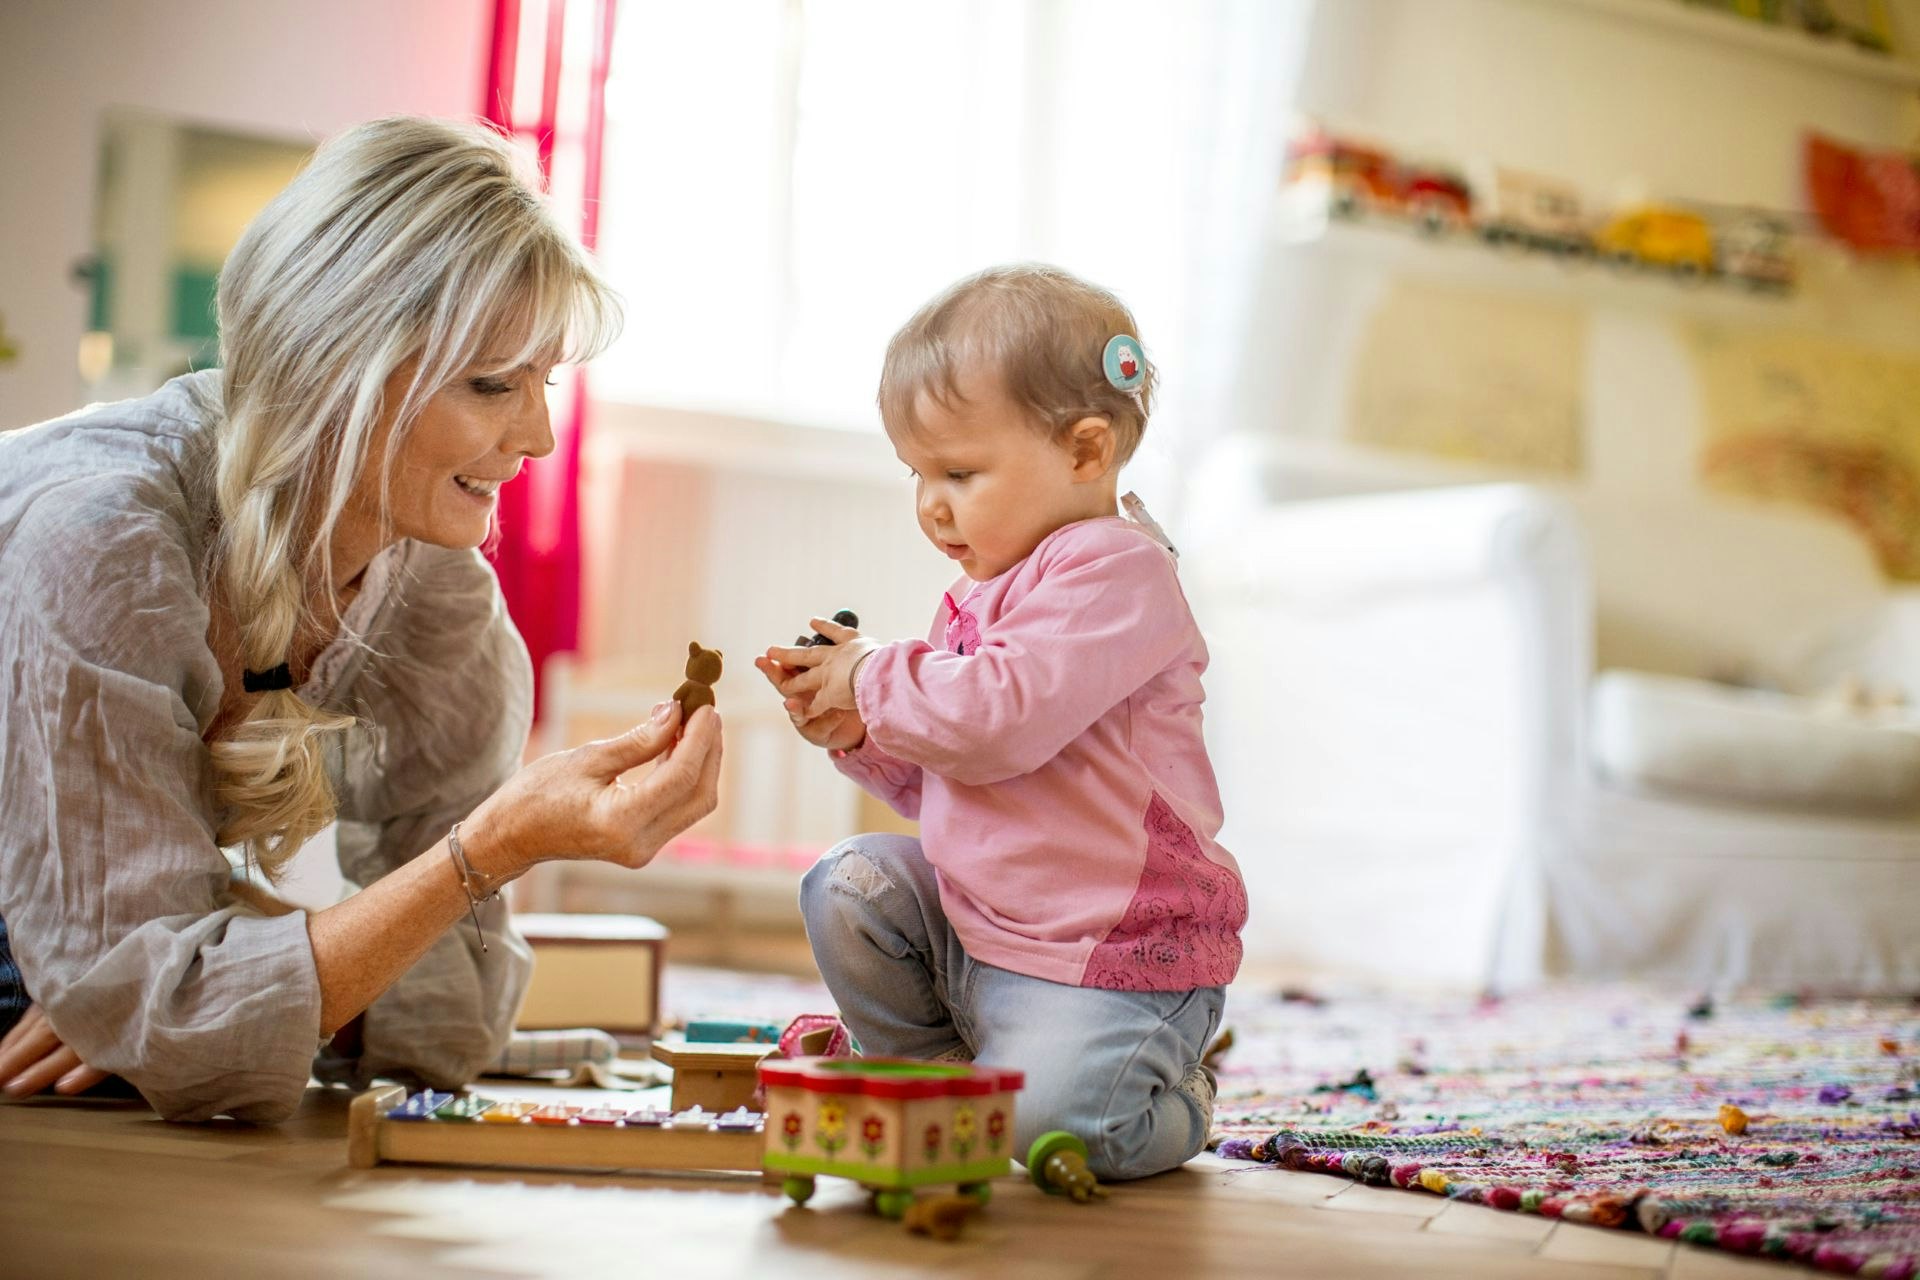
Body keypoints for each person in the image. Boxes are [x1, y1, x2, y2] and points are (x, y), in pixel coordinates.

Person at [0, 116, 723, 1123]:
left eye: (544, 379)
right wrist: (489, 846)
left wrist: (194, 974)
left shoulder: (436, 587)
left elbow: (445, 1023)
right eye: (491, 384)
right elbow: (171, 1021)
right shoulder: (103, 541)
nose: (542, 434)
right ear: (334, 365)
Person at [757, 264, 1247, 1180]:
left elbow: (997, 722)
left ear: (1086, 452)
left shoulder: (1118, 573)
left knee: (1067, 1134)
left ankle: (1178, 1097)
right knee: (850, 883)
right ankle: (947, 1081)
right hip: (985, 935)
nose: (931, 504)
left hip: (1106, 956)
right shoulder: (989, 593)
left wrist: (871, 674)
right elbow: (962, 772)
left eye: (959, 472)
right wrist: (857, 731)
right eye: (917, 474)